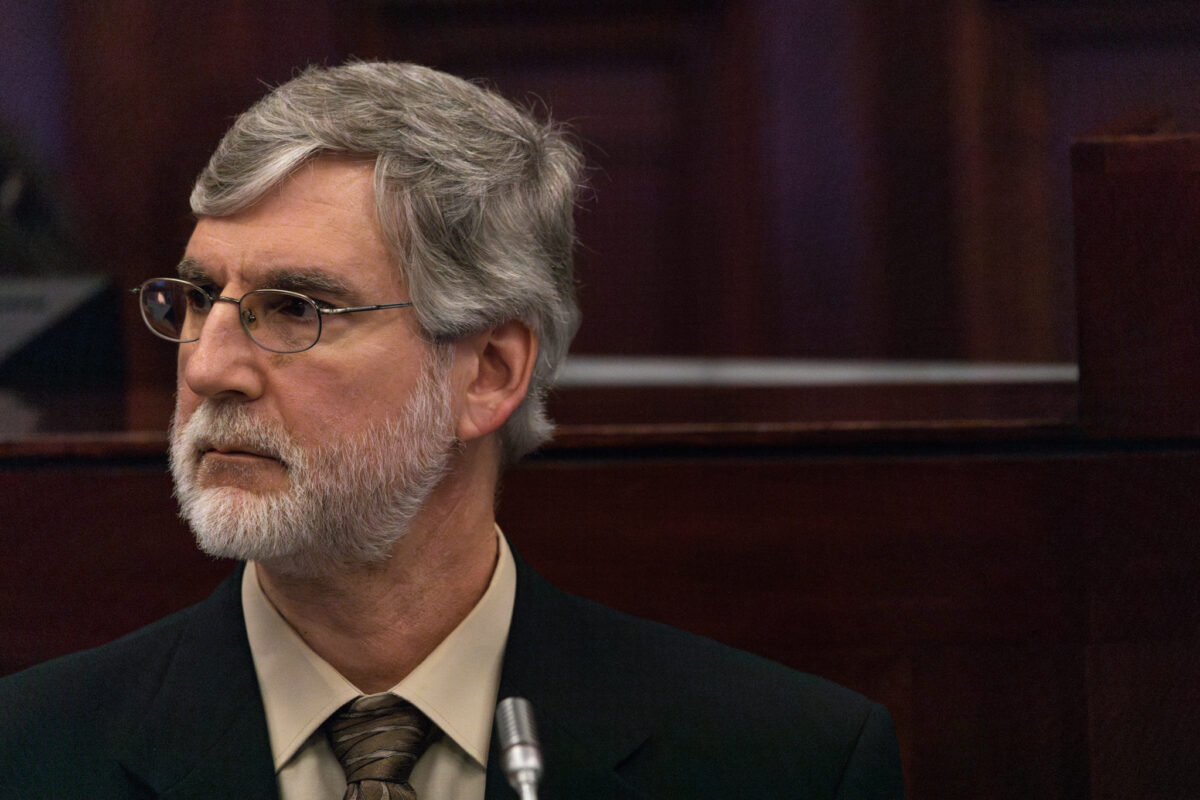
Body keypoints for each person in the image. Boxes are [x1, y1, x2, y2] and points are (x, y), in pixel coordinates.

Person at [0, 61, 903, 799]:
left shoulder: (783, 763)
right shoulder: (31, 753)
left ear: (489, 374)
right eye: (199, 298)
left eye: (296, 308)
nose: (207, 368)